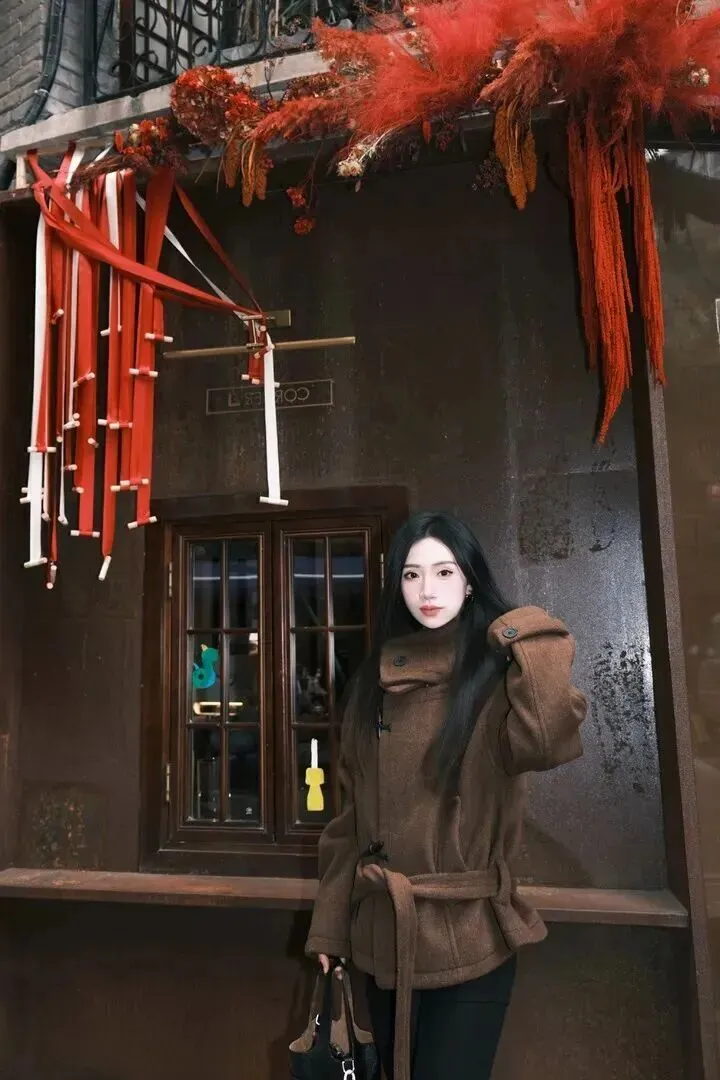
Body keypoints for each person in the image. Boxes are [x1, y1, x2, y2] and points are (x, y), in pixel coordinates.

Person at [305, 511, 587, 1080]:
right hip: (384, 935)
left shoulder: (496, 677)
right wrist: (330, 927)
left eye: (443, 571)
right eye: (411, 575)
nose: (426, 590)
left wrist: (524, 633)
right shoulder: (371, 685)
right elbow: (351, 822)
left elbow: (549, 740)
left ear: (471, 580)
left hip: (471, 931)